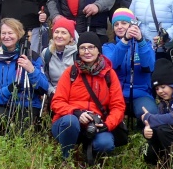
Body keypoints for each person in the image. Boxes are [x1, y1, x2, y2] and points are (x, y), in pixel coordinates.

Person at [50, 32, 126, 162]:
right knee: (70, 122)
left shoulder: (109, 74)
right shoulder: (71, 72)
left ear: (98, 50)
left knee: (105, 144)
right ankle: (66, 158)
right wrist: (76, 113)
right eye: (83, 48)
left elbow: (118, 106)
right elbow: (57, 102)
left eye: (91, 47)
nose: (87, 51)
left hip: (96, 124)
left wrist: (106, 125)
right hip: (69, 121)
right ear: (78, 51)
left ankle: (90, 153)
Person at [0, 18, 50, 132]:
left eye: (10, 33)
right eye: (3, 33)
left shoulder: (32, 57)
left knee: (22, 131)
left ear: (19, 34)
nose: (6, 36)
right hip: (1, 103)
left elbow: (44, 87)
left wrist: (31, 70)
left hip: (26, 103)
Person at [101, 8, 157, 126]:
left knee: (150, 115)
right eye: (116, 24)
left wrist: (140, 41)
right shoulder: (108, 46)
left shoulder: (145, 44)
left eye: (124, 23)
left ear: (132, 25)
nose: (120, 27)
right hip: (116, 95)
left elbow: (149, 67)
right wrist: (124, 41)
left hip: (140, 94)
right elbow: (112, 65)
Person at [35, 16, 78, 96]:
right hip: (54, 95)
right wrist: (51, 91)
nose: (59, 36)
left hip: (74, 96)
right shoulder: (47, 53)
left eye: (63, 33)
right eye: (56, 32)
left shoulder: (77, 54)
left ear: (71, 38)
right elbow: (44, 77)